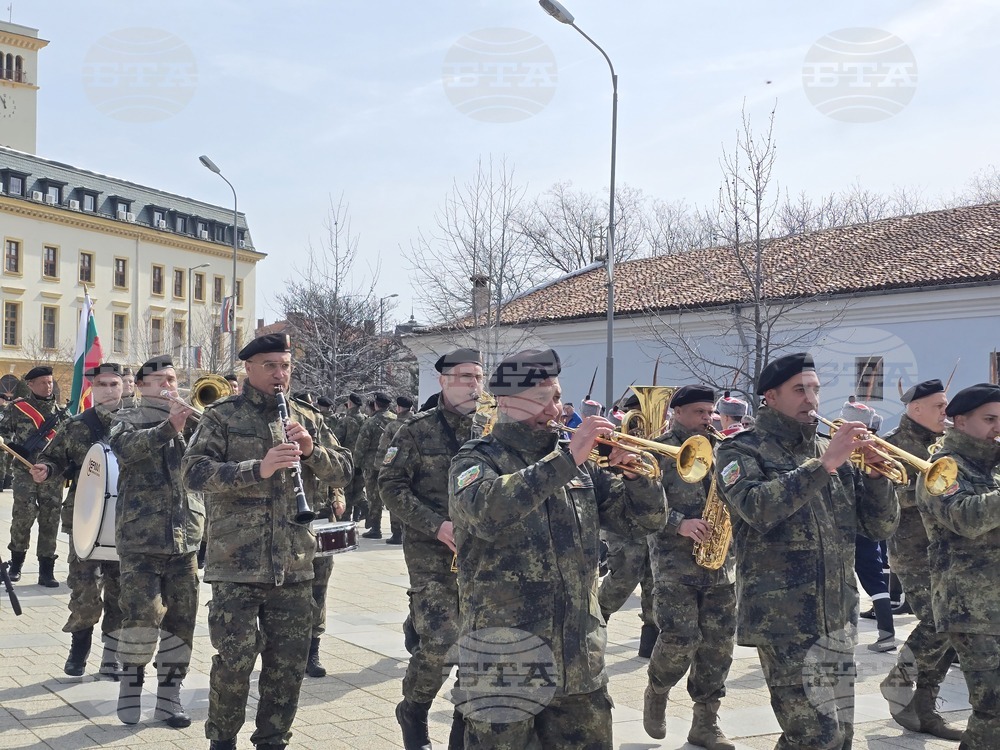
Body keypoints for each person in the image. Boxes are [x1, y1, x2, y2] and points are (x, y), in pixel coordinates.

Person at [449, 348, 667, 749]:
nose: (557, 408)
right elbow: (484, 512)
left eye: (558, 396)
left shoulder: (582, 464)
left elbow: (644, 523)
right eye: (546, 399)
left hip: (579, 655)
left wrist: (637, 478)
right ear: (512, 402)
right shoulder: (478, 459)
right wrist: (566, 460)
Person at [715, 352, 898, 750]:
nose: (811, 399)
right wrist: (824, 465)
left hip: (837, 614)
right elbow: (757, 509)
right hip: (784, 621)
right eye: (799, 390)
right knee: (815, 736)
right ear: (770, 397)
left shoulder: (829, 449)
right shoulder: (741, 451)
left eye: (814, 389)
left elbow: (877, 528)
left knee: (840, 734)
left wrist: (877, 479)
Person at [182, 333, 353, 750]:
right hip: (236, 563)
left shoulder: (306, 417)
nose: (281, 374)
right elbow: (194, 472)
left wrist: (313, 453)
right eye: (271, 366)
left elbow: (345, 471)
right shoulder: (222, 416)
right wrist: (255, 468)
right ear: (250, 369)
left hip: (294, 565)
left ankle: (273, 740)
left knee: (287, 668)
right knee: (235, 664)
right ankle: (222, 740)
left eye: (286, 366)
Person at [380, 347, 483, 749]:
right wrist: (435, 524)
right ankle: (414, 709)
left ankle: (462, 728)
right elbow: (391, 486)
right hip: (431, 550)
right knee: (441, 640)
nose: (474, 385)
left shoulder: (490, 428)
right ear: (443, 381)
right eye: (464, 377)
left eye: (478, 377)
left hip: (482, 551)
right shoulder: (416, 430)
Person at [109, 355, 204, 728]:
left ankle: (170, 697)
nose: (170, 386)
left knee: (182, 622)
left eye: (174, 379)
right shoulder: (126, 416)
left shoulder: (194, 419)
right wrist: (168, 427)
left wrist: (189, 422)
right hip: (141, 540)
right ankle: (131, 685)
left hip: (186, 539)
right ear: (142, 384)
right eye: (162, 380)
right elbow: (126, 450)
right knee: (142, 617)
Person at [643, 385, 736, 749]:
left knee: (718, 645)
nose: (708, 418)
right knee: (680, 638)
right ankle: (658, 689)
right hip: (674, 562)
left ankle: (706, 722)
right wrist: (678, 522)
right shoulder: (657, 452)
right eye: (699, 412)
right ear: (676, 412)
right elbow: (643, 506)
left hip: (721, 561)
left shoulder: (724, 449)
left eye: (711, 412)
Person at [914, 383, 1000, 749]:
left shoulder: (993, 465)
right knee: (993, 709)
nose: (998, 427)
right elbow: (965, 517)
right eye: (990, 419)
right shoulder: (942, 469)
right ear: (960, 422)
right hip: (970, 605)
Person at [878, 378, 963, 739]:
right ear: (916, 409)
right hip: (914, 554)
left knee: (954, 628)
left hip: (952, 550)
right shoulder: (892, 446)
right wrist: (930, 489)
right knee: (937, 623)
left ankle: (924, 707)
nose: (947, 412)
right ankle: (899, 679)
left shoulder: (945, 444)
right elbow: (885, 502)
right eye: (939, 406)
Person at [32, 363, 124, 679]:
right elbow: (52, 458)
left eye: (114, 384)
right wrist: (46, 469)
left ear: (124, 386)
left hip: (126, 522)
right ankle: (78, 651)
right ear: (92, 388)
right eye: (102, 384)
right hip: (85, 520)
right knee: (84, 591)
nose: (108, 390)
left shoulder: (139, 425)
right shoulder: (76, 426)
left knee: (120, 594)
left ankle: (112, 656)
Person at [597, 391, 657, 658]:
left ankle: (649, 646)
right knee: (623, 579)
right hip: (622, 527)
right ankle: (598, 616)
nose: (641, 427)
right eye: (637, 420)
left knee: (654, 585)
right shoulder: (615, 441)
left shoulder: (661, 445)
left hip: (653, 525)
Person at [839, 398, 898, 654]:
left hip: (849, 525)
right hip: (868, 525)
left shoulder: (841, 447)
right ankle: (887, 634)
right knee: (874, 579)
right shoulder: (875, 444)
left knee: (844, 579)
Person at [2, 365, 68, 586]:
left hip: (52, 476)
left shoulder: (63, 415)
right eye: (42, 382)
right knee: (23, 517)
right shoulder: (17, 408)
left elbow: (69, 445)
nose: (48, 386)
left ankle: (46, 569)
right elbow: (2, 434)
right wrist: (12, 447)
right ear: (30, 385)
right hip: (24, 472)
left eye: (50, 382)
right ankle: (17, 563)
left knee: (50, 520)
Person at [354, 391, 397, 540]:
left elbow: (361, 445)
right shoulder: (395, 419)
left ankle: (375, 528)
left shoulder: (371, 422)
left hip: (372, 464)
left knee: (374, 497)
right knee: (392, 495)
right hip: (392, 463)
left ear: (376, 404)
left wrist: (356, 464)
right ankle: (397, 531)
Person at [376, 395, 415, 546]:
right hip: (415, 469)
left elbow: (385, 448)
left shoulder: (393, 426)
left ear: (398, 408)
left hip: (398, 468)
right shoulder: (418, 422)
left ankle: (397, 533)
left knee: (396, 499)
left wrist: (381, 467)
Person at [333, 392, 366, 523]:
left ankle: (345, 518)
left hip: (347, 460)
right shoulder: (365, 419)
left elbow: (337, 440)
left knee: (346, 490)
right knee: (358, 489)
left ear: (350, 404)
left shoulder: (345, 421)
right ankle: (364, 506)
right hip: (361, 460)